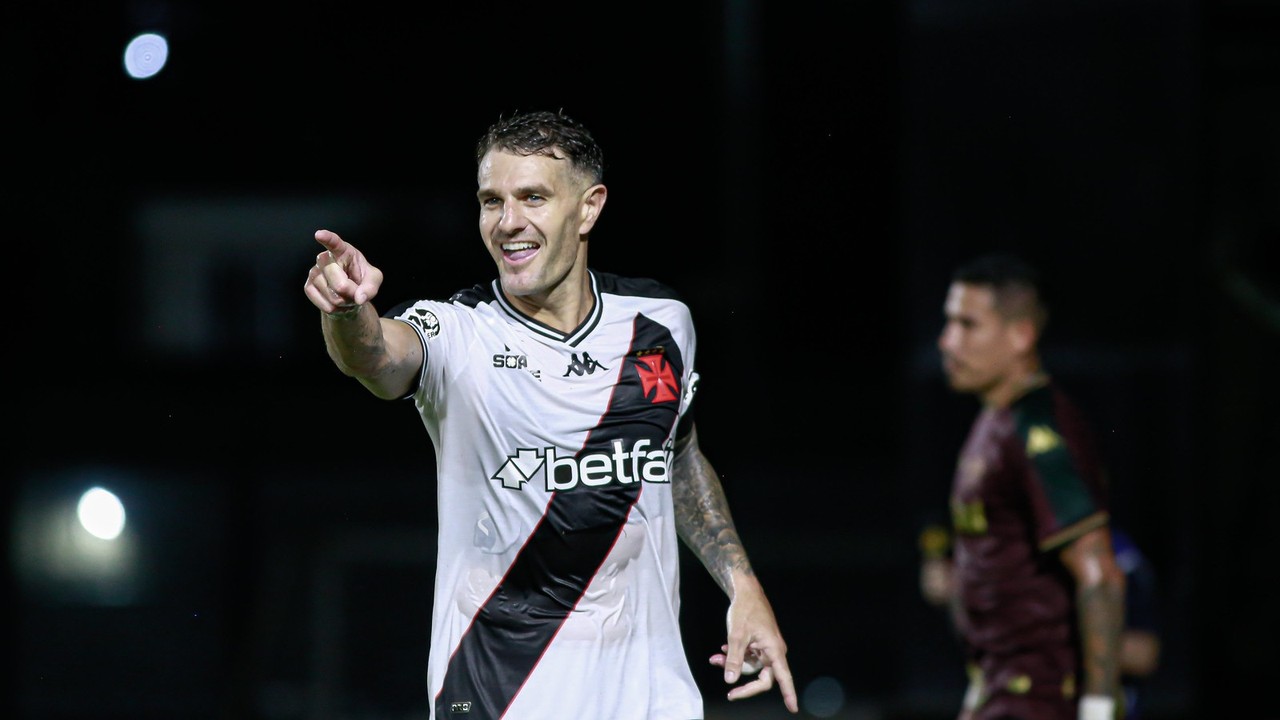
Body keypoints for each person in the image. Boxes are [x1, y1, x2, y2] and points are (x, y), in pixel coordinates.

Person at [302, 109, 798, 719]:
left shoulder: (661, 324)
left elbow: (677, 456)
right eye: (491, 201)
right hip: (501, 695)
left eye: (532, 197)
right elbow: (376, 357)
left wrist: (743, 586)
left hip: (649, 697)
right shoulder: (458, 332)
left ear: (588, 208)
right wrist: (348, 312)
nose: (508, 223)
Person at [923, 253, 1128, 720]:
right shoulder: (994, 422)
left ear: (1020, 335)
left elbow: (1100, 575)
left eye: (967, 324)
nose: (947, 341)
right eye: (947, 323)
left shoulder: (1041, 434)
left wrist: (1097, 710)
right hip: (997, 686)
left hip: (1037, 696)